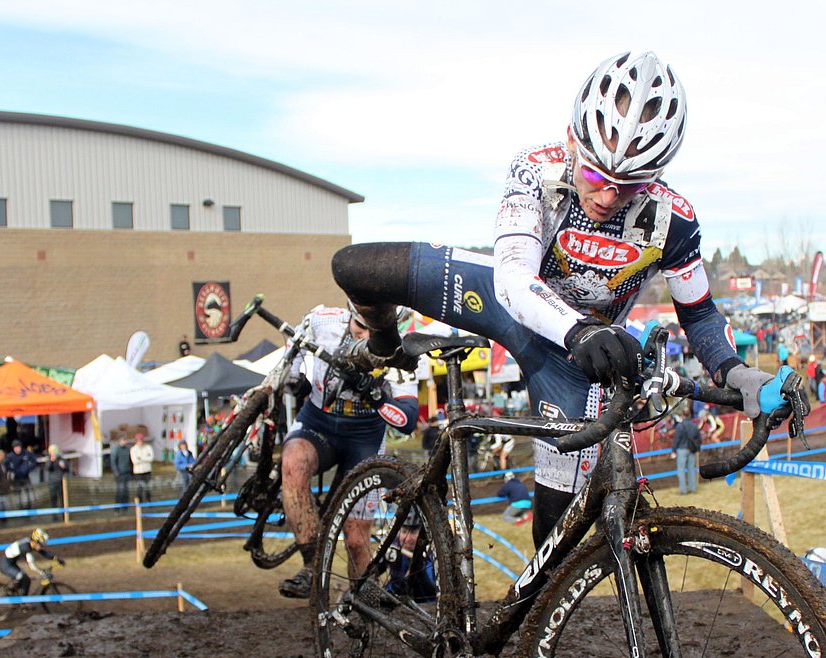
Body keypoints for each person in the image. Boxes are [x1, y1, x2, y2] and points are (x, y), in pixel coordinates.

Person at [329, 50, 801, 559]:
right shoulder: (536, 167)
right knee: (356, 268)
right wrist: (579, 328)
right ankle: (383, 347)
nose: (608, 196)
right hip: (510, 302)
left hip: (576, 361)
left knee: (555, 543)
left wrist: (738, 373)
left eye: (632, 186)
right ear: (572, 139)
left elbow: (701, 314)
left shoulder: (674, 219)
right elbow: (513, 274)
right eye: (597, 177)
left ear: (658, 176)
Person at [276, 303, 419, 599]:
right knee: (292, 463)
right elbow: (295, 340)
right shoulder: (323, 320)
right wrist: (291, 373)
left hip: (364, 437)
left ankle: (364, 601)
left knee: (355, 539)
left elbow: (407, 421)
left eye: (375, 331)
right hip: (319, 422)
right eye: (359, 326)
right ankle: (311, 567)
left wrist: (377, 396)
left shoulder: (406, 347)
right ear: (349, 316)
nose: (364, 335)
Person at [0, 527, 64, 595]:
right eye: (41, 545)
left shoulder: (32, 542)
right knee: (25, 579)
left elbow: (44, 553)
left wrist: (56, 558)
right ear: (36, 541)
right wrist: (42, 572)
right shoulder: (26, 548)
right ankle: (23, 602)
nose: (42, 547)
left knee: (24, 579)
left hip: (11, 563)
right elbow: (32, 565)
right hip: (6, 566)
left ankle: (17, 593)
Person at [671, 410, 702, 495]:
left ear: (683, 416)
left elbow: (676, 439)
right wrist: (698, 449)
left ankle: (683, 490)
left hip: (681, 449)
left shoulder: (680, 426)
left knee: (681, 470)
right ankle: (693, 489)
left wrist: (673, 451)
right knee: (692, 469)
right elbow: (699, 439)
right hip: (692, 450)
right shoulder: (694, 426)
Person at [4, 440, 37, 510]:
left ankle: (31, 506)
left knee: (29, 491)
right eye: (15, 448)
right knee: (17, 494)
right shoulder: (10, 456)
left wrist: (28, 468)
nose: (17, 449)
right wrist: (13, 470)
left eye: (18, 447)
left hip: (26, 476)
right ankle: (19, 508)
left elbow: (34, 461)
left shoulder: (26, 453)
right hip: (16, 478)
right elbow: (6, 465)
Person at [44, 444, 71, 512]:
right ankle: (54, 515)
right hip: (52, 483)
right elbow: (47, 468)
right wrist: (51, 461)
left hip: (61, 482)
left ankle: (64, 515)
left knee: (63, 499)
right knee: (53, 499)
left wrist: (64, 466)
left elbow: (67, 469)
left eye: (54, 451)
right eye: (51, 451)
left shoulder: (61, 459)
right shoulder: (49, 460)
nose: (53, 453)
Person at [130, 433, 155, 503]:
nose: (139, 442)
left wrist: (141, 458)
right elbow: (135, 461)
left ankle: (148, 500)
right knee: (139, 488)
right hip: (138, 472)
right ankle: (139, 502)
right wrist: (146, 458)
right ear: (136, 441)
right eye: (138, 440)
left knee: (148, 487)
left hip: (147, 470)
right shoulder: (133, 449)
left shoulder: (148, 447)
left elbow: (151, 458)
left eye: (141, 440)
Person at [110, 434, 133, 505]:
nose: (125, 441)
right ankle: (117, 507)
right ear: (119, 441)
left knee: (126, 491)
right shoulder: (116, 450)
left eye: (125, 440)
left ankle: (125, 507)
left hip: (127, 473)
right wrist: (116, 473)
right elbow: (113, 462)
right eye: (123, 440)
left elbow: (130, 461)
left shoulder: (128, 449)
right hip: (120, 474)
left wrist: (131, 472)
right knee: (120, 491)